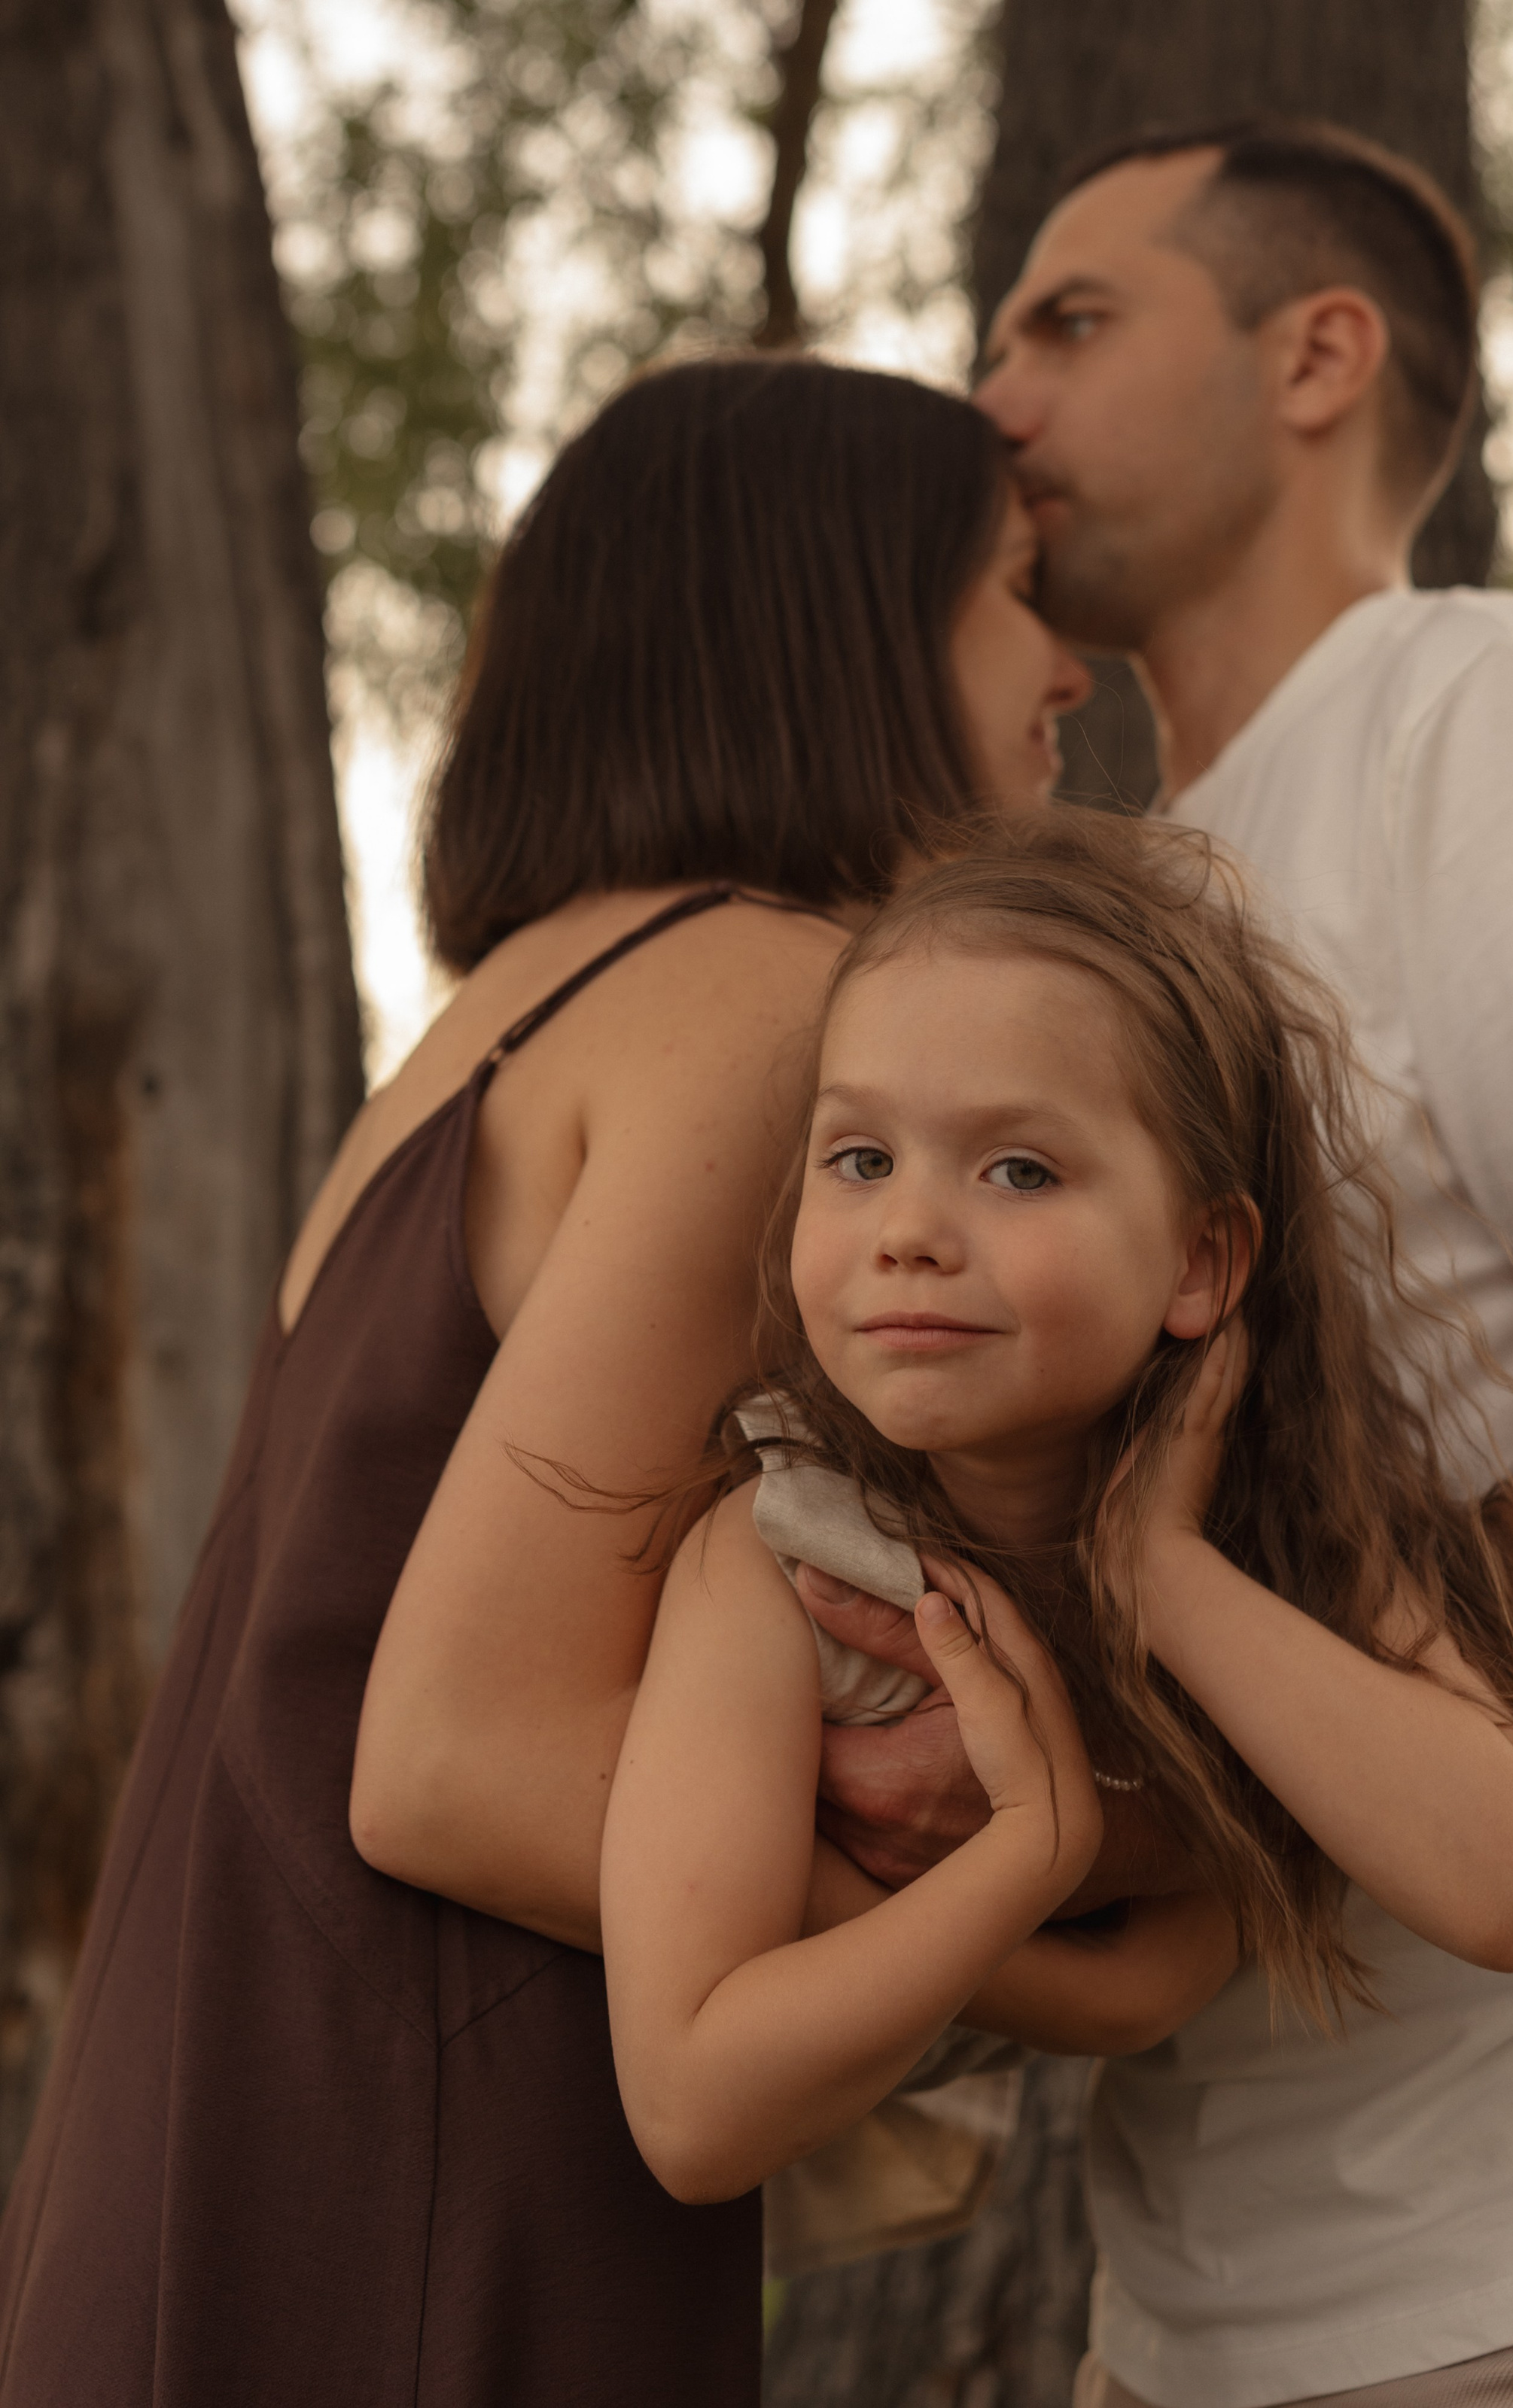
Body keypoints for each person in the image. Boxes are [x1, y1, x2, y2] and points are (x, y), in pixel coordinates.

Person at [808, 120, 1513, 2406]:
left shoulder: (1505, 718)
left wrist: (1110, 1802)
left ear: (1320, 355)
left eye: (1071, 324)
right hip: (1227, 2295)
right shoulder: (1117, 898)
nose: (990, 396)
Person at [0, 354, 1088, 2407]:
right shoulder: (770, 1000)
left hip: (218, 2144)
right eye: (1018, 588)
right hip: (417, 2174)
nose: (1069, 672)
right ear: (839, 610)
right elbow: (455, 1761)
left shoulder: (504, 1015)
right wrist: (1060, 1937)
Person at [598, 809, 1513, 2212]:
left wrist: (1162, 1573)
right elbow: (692, 2109)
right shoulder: (785, 1561)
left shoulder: (1285, 1508)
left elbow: (1504, 1883)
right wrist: (1027, 1853)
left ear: (1201, 1259)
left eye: (1019, 1170)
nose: (909, 1230)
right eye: (860, 1158)